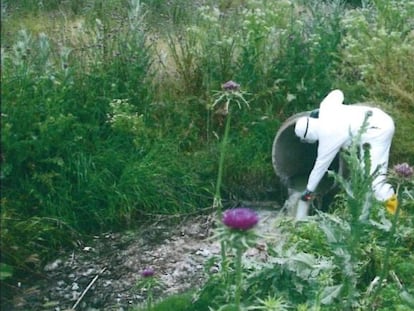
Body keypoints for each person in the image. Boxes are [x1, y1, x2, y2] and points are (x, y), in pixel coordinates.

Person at [294, 89, 396, 215]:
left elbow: (320, 167)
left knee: (375, 182)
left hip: (378, 131)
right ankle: (376, 213)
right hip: (377, 118)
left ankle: (395, 214)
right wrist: (323, 112)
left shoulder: (327, 137)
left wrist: (308, 191)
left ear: (309, 136)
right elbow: (337, 93)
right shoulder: (326, 107)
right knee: (365, 176)